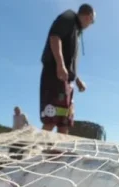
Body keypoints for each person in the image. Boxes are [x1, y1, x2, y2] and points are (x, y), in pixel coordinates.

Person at [40, 4, 96, 134]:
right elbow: (55, 37)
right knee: (51, 118)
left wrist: (76, 79)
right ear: (89, 16)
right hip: (55, 75)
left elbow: (69, 60)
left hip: (67, 81)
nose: (91, 24)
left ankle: (57, 153)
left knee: (64, 121)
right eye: (92, 21)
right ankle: (35, 150)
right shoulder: (69, 17)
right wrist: (60, 65)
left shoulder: (76, 31)